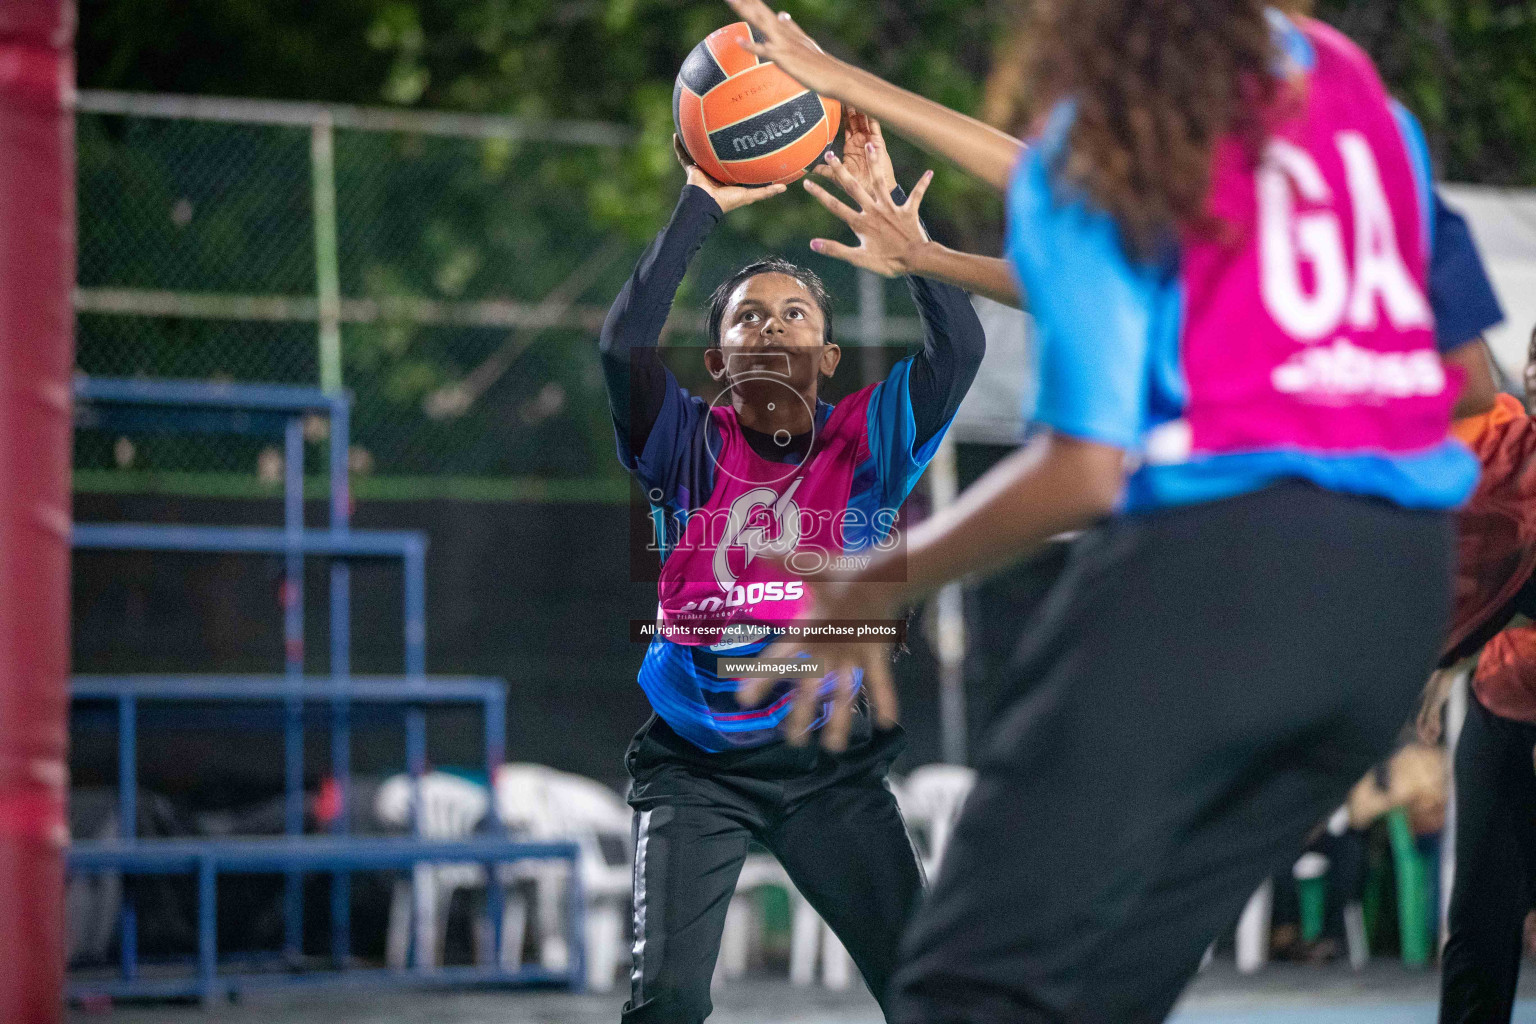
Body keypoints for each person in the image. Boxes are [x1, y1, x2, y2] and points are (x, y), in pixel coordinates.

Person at [725, 1, 1484, 1019]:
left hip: (1223, 572)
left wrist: (873, 576)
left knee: (976, 986)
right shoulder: (1352, 95)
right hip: (1394, 603)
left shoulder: (1103, 133)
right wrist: (858, 104)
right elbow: (1466, 374)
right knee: (1106, 989)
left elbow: (1084, 469)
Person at [599, 110, 986, 1022]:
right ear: (719, 358)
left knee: (924, 995)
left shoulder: (870, 437)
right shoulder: (685, 440)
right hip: (696, 765)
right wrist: (703, 199)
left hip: (828, 768)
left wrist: (903, 236)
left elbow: (959, 350)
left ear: (827, 354)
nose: (771, 326)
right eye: (748, 317)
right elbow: (622, 347)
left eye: (795, 312)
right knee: (665, 1004)